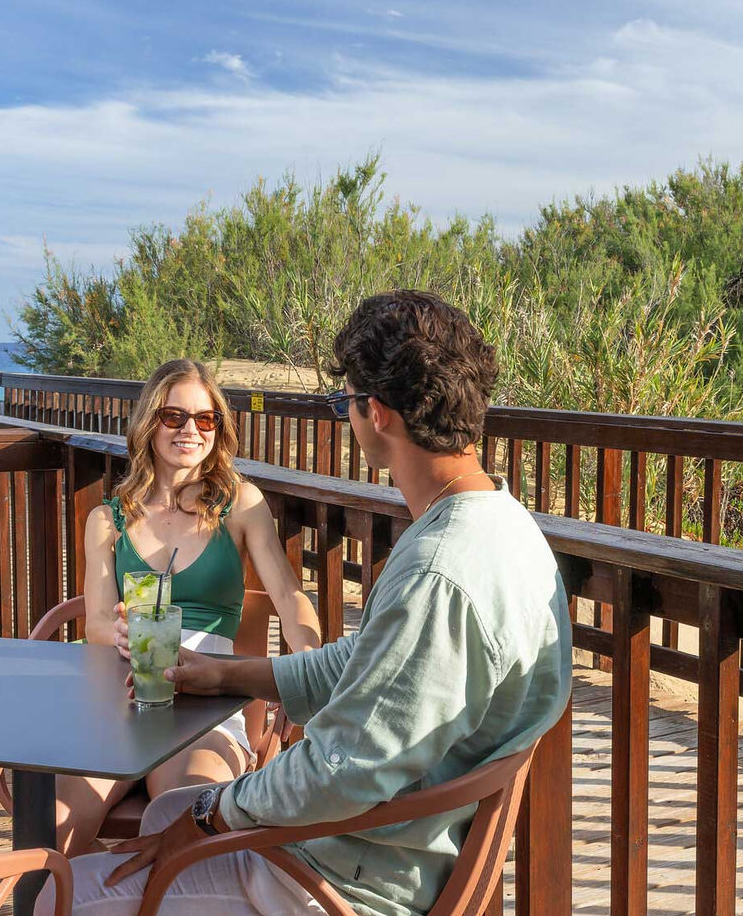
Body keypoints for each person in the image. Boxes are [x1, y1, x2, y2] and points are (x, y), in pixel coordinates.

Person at [39, 291, 572, 916]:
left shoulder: (437, 573)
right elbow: (368, 665)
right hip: (389, 842)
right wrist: (229, 675)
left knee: (57, 897)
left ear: (376, 413)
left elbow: (342, 768)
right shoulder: (505, 527)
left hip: (337, 879)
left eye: (344, 404)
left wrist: (214, 813)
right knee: (165, 811)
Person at [58, 358, 322, 856]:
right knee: (51, 825)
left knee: (183, 826)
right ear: (149, 422)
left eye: (205, 419)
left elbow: (290, 597)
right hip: (124, 699)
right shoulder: (107, 521)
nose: (190, 430)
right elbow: (98, 622)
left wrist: (306, 668)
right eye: (174, 416)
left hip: (207, 709)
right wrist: (119, 634)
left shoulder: (240, 504)